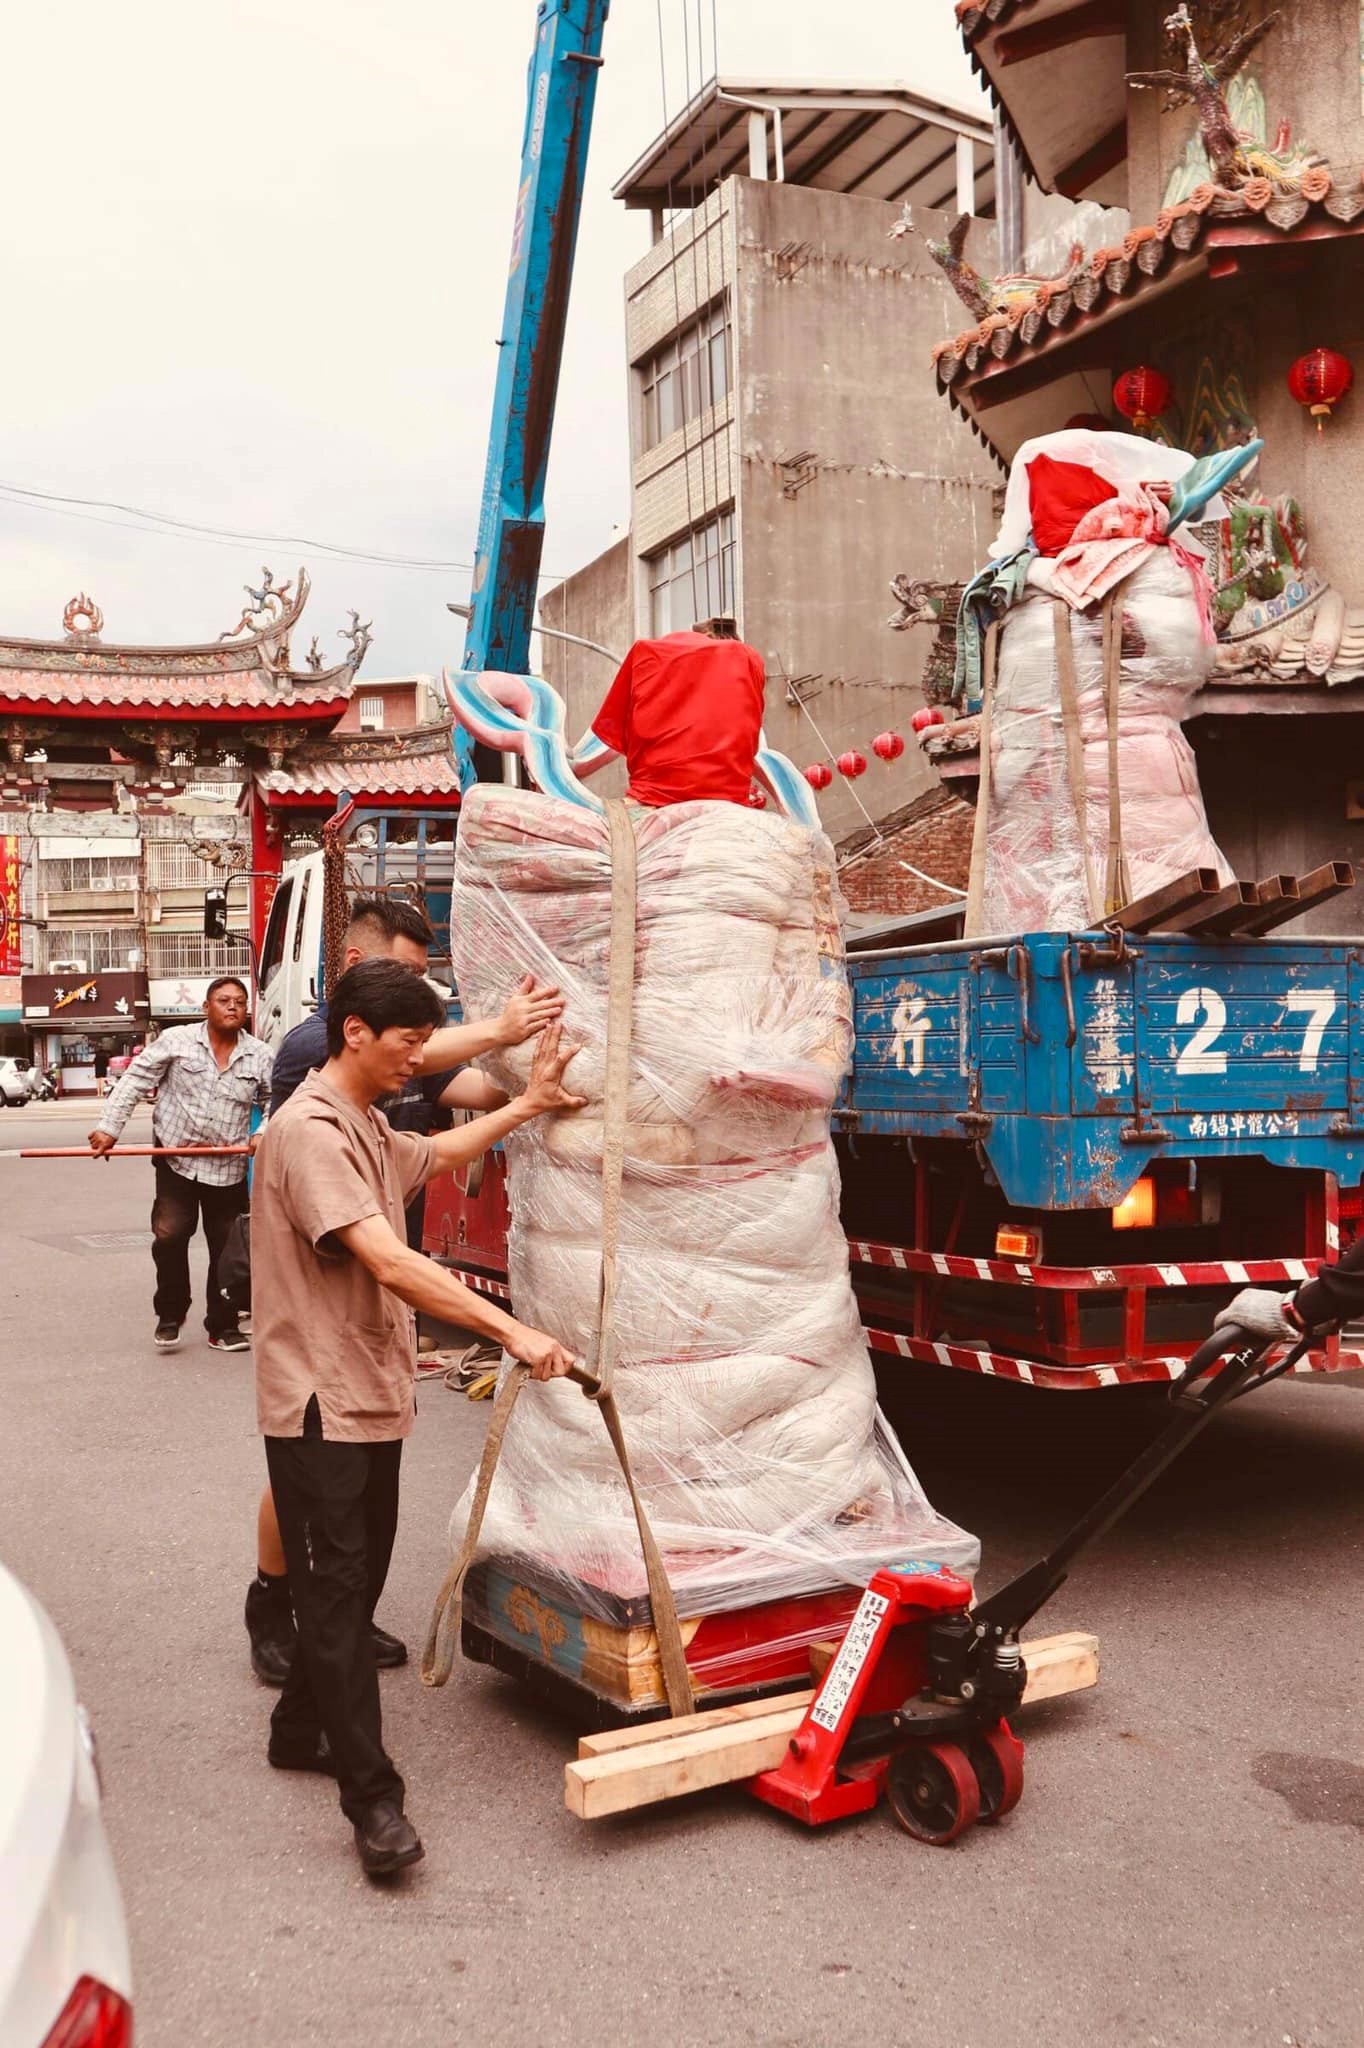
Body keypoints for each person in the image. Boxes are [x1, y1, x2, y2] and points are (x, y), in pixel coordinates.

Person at [252, 956, 584, 1877]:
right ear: (355, 1033)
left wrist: (527, 1106)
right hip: (320, 1403)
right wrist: (513, 1330)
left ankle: (297, 1729)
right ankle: (374, 1801)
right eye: (409, 1044)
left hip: (370, 1393)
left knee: (352, 1592)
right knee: (336, 1601)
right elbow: (389, 1263)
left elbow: (430, 1156)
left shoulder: (360, 1117)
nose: (420, 1062)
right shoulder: (310, 1131)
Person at [245, 894, 558, 1686]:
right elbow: (388, 1258)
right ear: (358, 998)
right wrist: (498, 1029)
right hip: (327, 1286)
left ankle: (333, 1635)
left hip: (375, 1305)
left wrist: (532, 1093)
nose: (419, 1036)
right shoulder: (311, 1059)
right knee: (311, 1481)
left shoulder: (382, 1093)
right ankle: (276, 1608)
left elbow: (450, 1123)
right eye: (407, 985)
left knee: (355, 1522)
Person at [89, 977, 271, 1354]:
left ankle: (222, 1326)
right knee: (170, 1236)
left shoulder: (260, 1055)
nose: (233, 1007)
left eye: (239, 1001)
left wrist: (263, 1132)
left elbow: (277, 1098)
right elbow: (134, 1082)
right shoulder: (177, 1041)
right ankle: (170, 1314)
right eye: (224, 1000)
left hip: (227, 1166)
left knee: (227, 1248)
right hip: (177, 1160)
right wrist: (109, 1128)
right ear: (207, 1007)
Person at [590, 619, 767, 809]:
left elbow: (613, 732)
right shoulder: (744, 662)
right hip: (730, 794)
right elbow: (751, 751)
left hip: (651, 791)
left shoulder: (652, 656)